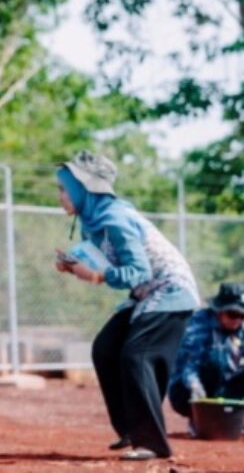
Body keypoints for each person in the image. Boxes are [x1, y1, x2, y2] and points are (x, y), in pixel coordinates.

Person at [54, 150, 200, 461]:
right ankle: (131, 430)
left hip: (170, 291)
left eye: (64, 189)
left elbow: (139, 272)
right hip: (145, 294)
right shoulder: (91, 221)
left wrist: (93, 275)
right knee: (106, 348)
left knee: (137, 356)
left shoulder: (115, 219)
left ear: (85, 190)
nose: (60, 196)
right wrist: (74, 266)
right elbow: (106, 265)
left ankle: (151, 443)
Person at [169, 282, 244, 434]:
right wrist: (195, 387)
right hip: (190, 390)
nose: (238, 320)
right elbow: (189, 365)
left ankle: (236, 420)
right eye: (233, 314)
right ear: (219, 311)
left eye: (242, 315)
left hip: (227, 388)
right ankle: (199, 418)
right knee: (214, 361)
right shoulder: (198, 324)